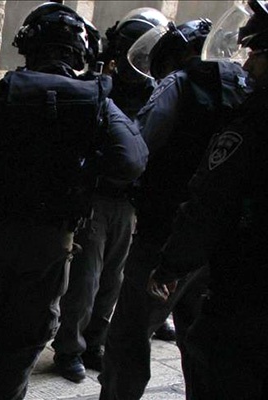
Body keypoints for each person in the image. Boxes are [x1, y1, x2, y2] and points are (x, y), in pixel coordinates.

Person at [0, 3, 148, 398]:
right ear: (79, 53)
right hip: (52, 240)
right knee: (29, 334)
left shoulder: (2, 92)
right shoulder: (96, 100)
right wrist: (85, 168)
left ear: (28, 47)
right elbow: (132, 159)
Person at [99, 18, 250, 400]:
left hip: (164, 236)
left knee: (129, 336)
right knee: (199, 341)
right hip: (219, 242)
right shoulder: (244, 86)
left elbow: (136, 148)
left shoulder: (177, 84)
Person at [146, 2, 268, 398]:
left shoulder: (252, 126)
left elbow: (209, 204)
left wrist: (170, 266)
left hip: (245, 300)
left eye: (256, 53)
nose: (247, 65)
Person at [50, 7, 169, 384]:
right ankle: (69, 347)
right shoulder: (98, 86)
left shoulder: (154, 91)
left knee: (113, 280)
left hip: (129, 200)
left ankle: (95, 343)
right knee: (85, 280)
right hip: (96, 196)